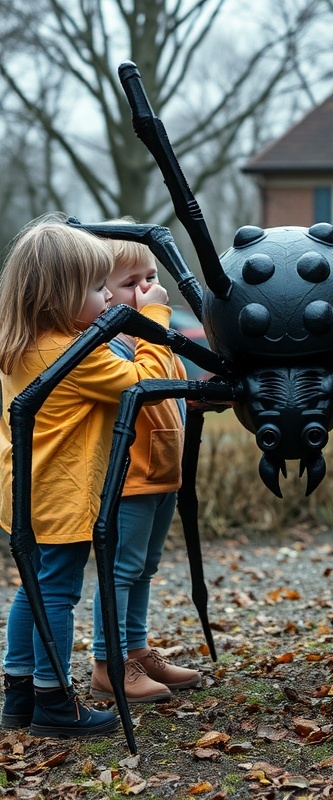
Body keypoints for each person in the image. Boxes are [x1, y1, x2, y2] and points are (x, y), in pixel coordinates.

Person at [0, 218, 179, 738]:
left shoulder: (24, 341)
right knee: (56, 592)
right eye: (98, 288)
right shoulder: (74, 353)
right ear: (59, 295)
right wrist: (155, 314)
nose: (107, 298)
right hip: (62, 494)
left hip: (25, 488)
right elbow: (150, 383)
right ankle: (54, 699)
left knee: (31, 590)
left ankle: (19, 693)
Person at [90, 234, 202, 703]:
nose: (146, 289)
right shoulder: (110, 344)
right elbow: (142, 385)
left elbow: (171, 384)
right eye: (130, 282)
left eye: (151, 279)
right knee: (121, 570)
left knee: (144, 568)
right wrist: (153, 321)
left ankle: (135, 650)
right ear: (102, 292)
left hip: (161, 475)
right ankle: (107, 662)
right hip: (130, 480)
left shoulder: (147, 336)